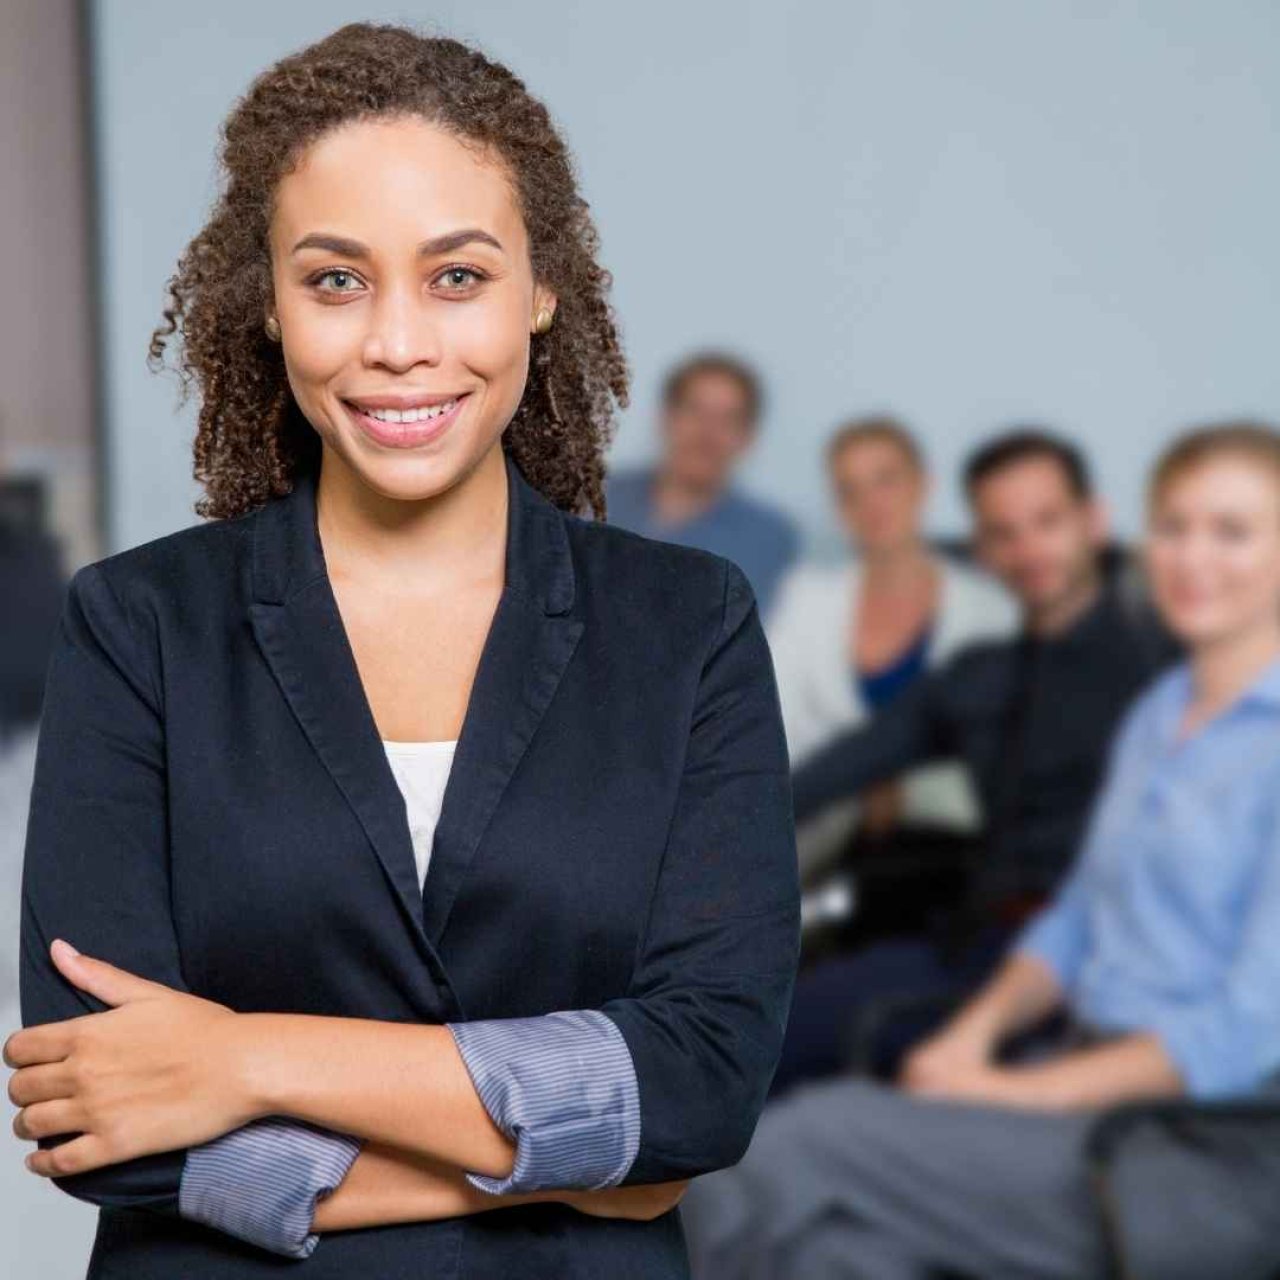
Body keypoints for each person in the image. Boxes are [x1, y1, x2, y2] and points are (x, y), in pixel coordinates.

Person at [5, 23, 800, 1279]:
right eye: (333, 279)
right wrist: (590, 1156)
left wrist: (242, 1059)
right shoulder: (136, 625)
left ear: (540, 287)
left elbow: (701, 1085)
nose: (396, 343)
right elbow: (101, 1117)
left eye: (456, 276)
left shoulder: (687, 627)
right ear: (265, 303)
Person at [680, 420, 1280, 1280]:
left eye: (1231, 532)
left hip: (1188, 1142)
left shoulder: (1148, 669)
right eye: (1177, 528)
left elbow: (1243, 1031)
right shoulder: (1160, 712)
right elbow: (1080, 918)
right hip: (1046, 1016)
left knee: (798, 1151)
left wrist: (1008, 1095)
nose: (1192, 557)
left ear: (1093, 523)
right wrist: (973, 1043)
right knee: (830, 1252)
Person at [772, 429, 1175, 1095]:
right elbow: (822, 776)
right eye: (1004, 532)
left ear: (1093, 521)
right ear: (984, 549)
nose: (1028, 549)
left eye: (1047, 522)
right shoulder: (975, 678)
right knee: (765, 1030)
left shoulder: (1164, 661)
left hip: (1105, 964)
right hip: (976, 944)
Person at [767, 415, 1017, 860]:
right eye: (849, 490)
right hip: (814, 841)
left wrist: (905, 790)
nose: (871, 503)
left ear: (923, 484)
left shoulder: (992, 612)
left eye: (886, 480)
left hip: (951, 848)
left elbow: (1004, 763)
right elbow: (769, 729)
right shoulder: (807, 599)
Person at [605, 351, 800, 618]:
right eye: (695, 411)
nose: (707, 433)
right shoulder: (593, 496)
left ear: (748, 437)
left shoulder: (766, 538)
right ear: (665, 419)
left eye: (728, 419)